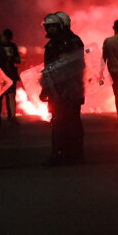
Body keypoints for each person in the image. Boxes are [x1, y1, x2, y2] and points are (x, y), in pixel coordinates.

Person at [40, 13, 85, 165]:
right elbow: (81, 65)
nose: (49, 29)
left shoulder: (55, 44)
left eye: (51, 26)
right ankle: (75, 154)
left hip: (60, 90)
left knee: (60, 123)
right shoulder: (75, 41)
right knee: (73, 122)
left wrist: (45, 89)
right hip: (74, 89)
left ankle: (60, 154)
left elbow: (50, 69)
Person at [0, 29, 22, 126]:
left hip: (7, 74)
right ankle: (11, 116)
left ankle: (12, 116)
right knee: (7, 96)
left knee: (9, 96)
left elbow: (18, 59)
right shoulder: (9, 46)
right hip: (5, 74)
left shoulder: (1, 46)